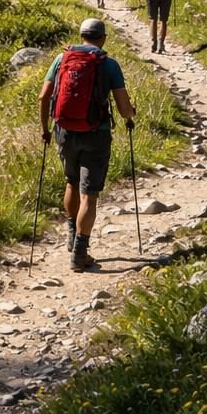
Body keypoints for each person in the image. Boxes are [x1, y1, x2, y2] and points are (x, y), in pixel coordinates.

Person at [39, 16, 136, 272]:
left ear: (81, 35)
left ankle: (72, 236)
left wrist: (45, 130)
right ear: (103, 38)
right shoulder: (109, 64)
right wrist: (130, 116)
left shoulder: (62, 59)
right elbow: (124, 107)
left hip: (64, 130)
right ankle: (80, 253)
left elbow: (43, 96)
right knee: (89, 195)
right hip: (96, 133)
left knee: (71, 182)